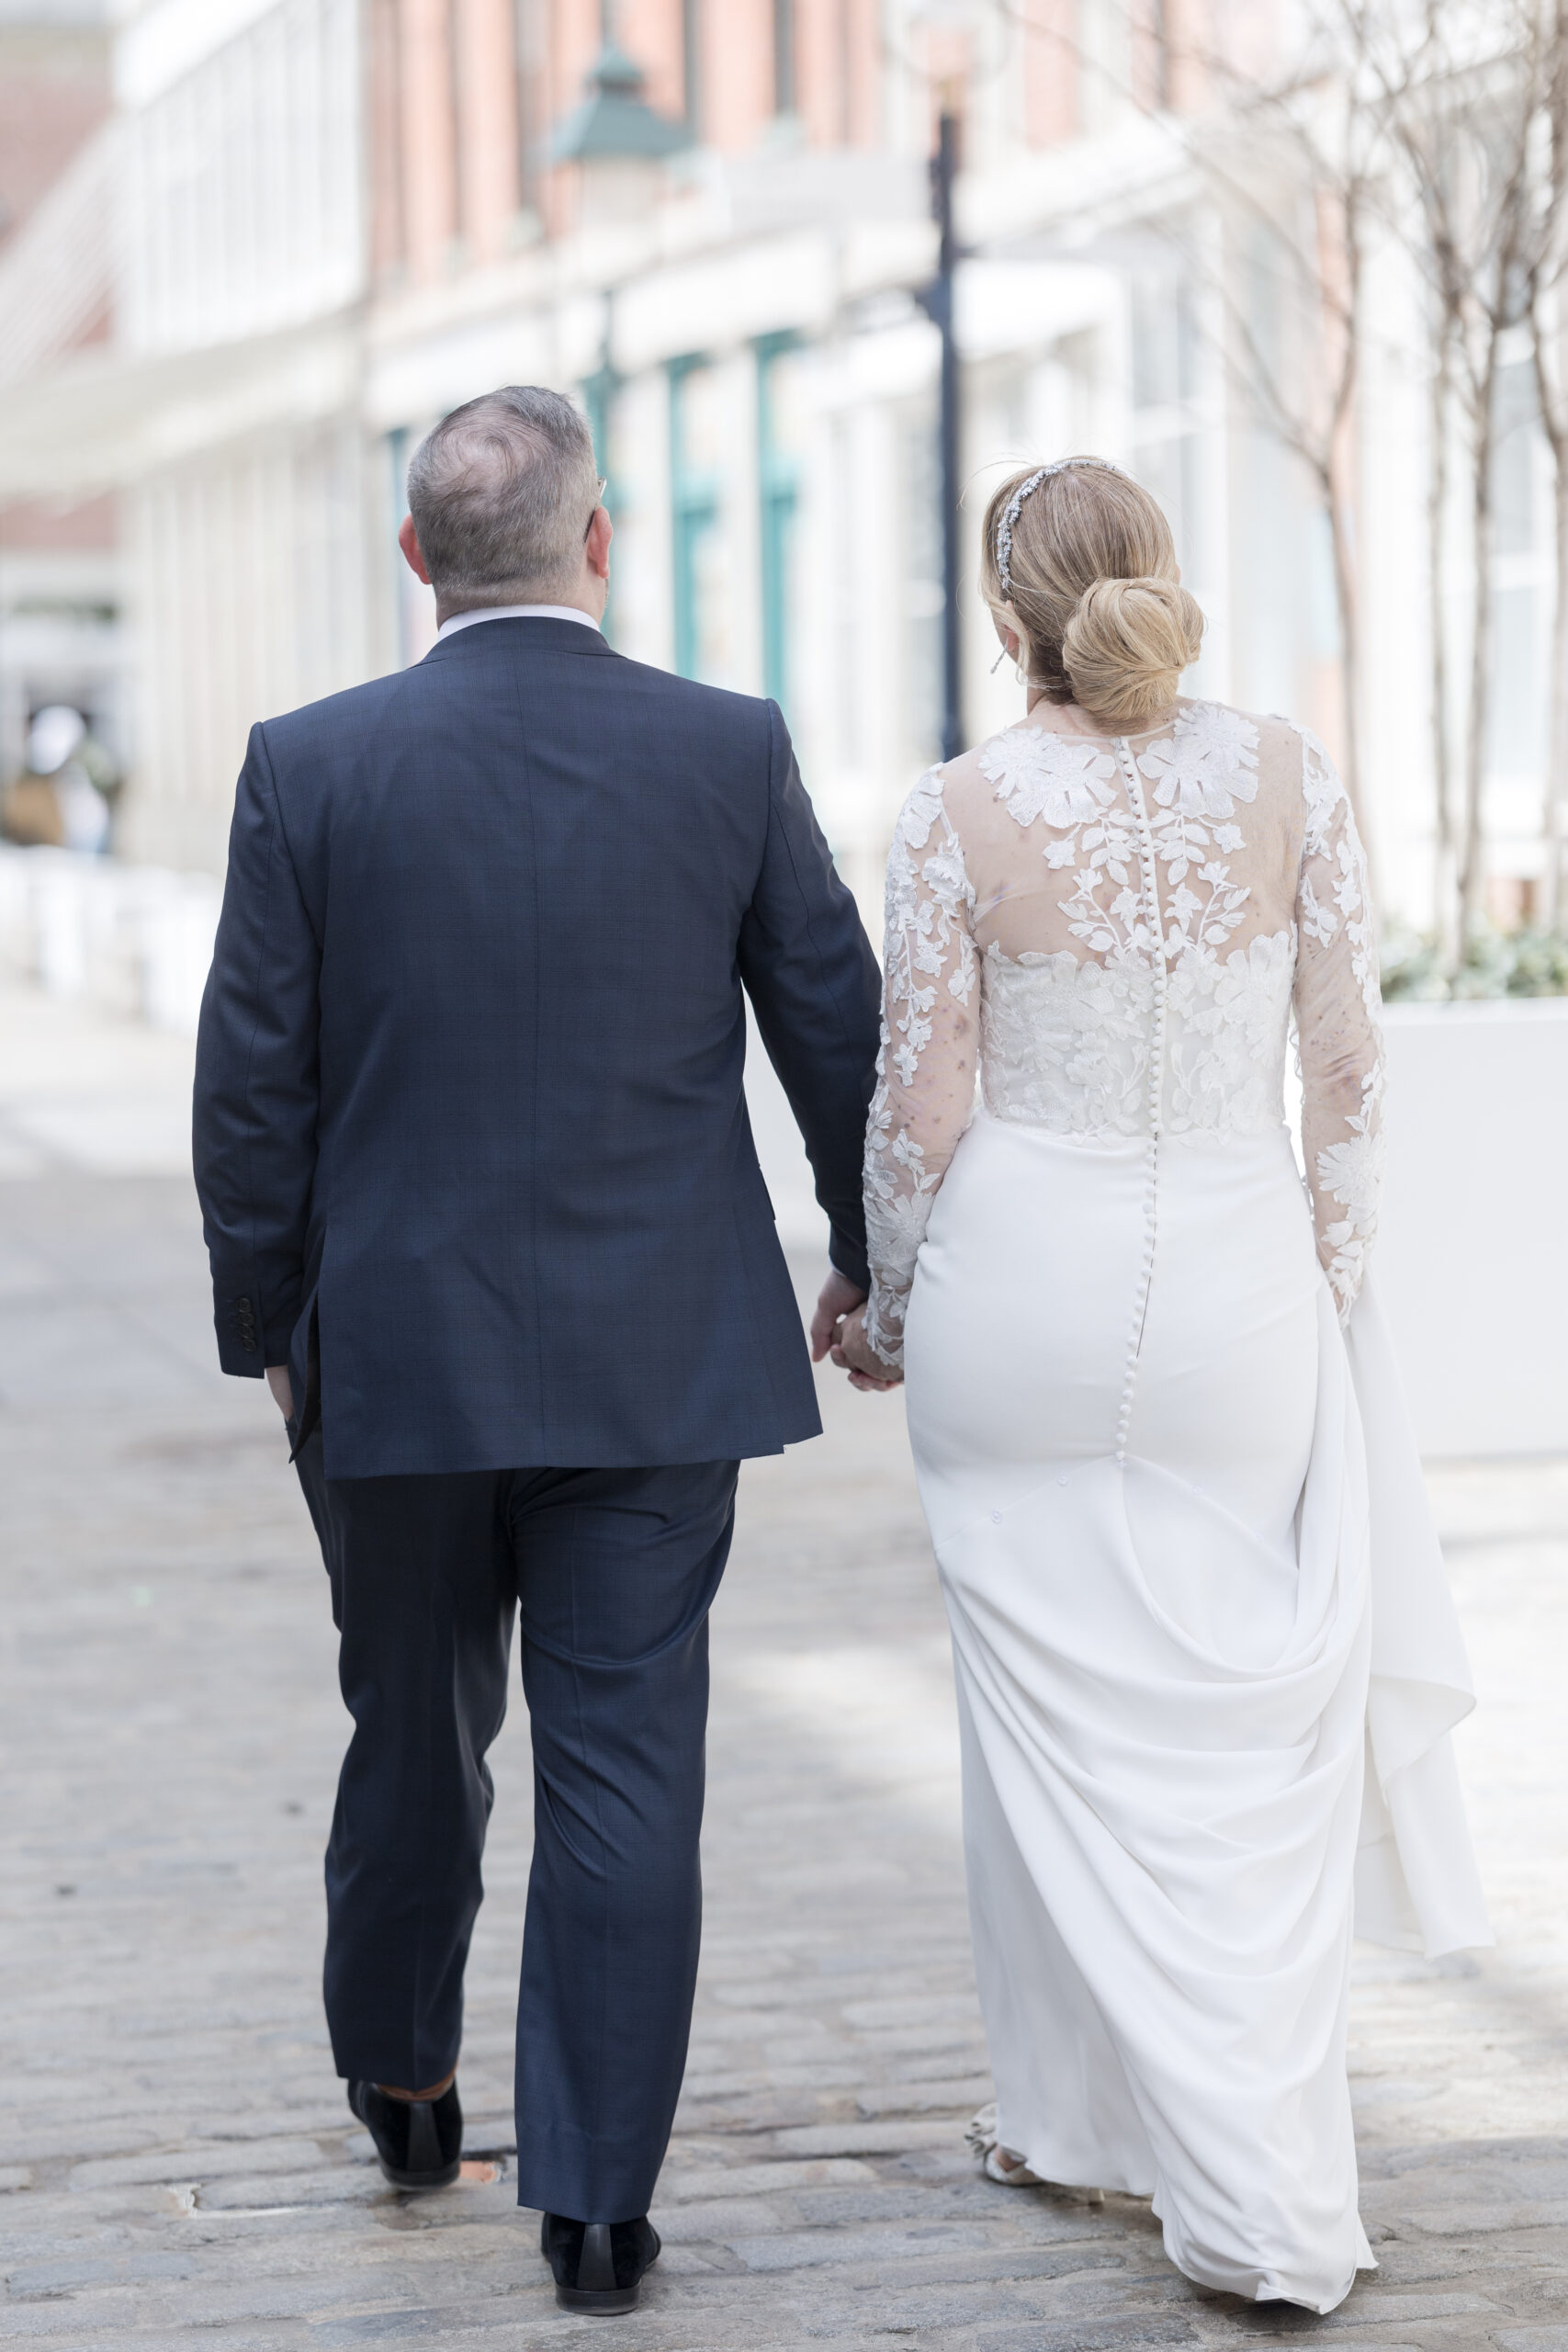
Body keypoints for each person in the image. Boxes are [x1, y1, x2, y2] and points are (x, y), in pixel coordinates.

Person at [192, 386, 881, 2316]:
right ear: (601, 540)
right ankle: (594, 2202)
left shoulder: (309, 765)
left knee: (414, 1728)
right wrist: (868, 1258)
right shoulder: (724, 749)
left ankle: (404, 2080)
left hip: (395, 1362)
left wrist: (271, 1326)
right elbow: (839, 1026)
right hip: (658, 1359)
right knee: (624, 1764)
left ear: (414, 561)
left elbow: (252, 1083)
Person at [829, 457, 1491, 2313]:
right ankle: (1205, 2143)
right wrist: (1330, 1284)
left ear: (1003, 616)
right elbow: (1347, 1077)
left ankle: (1084, 2123)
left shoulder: (952, 808)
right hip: (1229, 1284)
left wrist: (881, 1302)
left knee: (1042, 1737)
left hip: (1014, 1292)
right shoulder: (1288, 775)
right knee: (1240, 1744)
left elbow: (920, 1104)